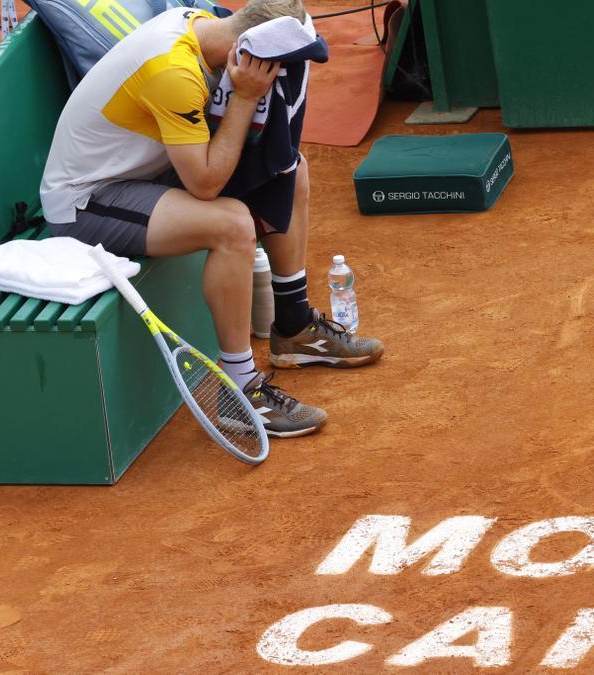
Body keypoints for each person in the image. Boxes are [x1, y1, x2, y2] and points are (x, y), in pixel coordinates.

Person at [39, 0, 382, 438]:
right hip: (89, 201)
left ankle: (294, 326)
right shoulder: (174, 73)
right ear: (246, 52)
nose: (282, 76)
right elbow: (205, 185)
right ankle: (237, 390)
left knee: (290, 170)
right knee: (232, 225)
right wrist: (244, 96)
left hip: (147, 173)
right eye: (278, 67)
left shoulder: (208, 31)